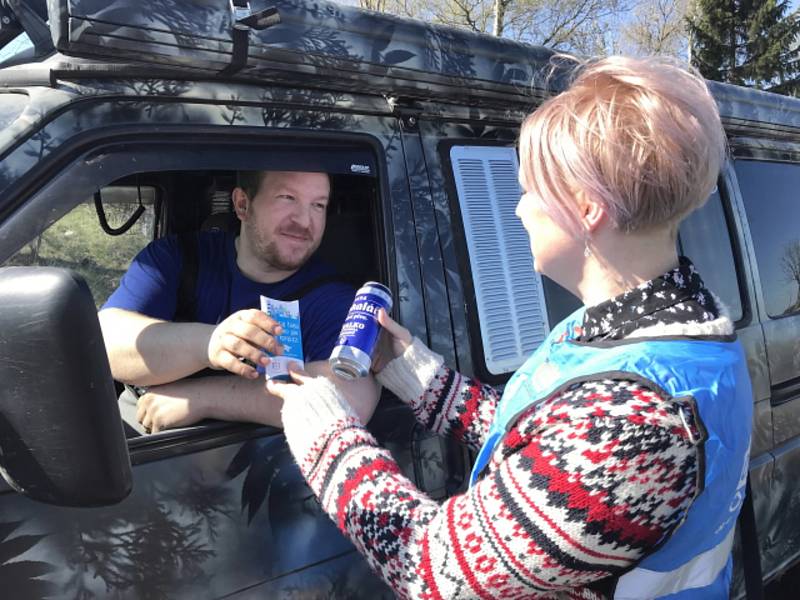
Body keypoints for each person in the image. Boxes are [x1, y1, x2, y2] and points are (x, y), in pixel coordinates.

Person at [267, 57, 754, 599]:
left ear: (587, 208)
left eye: (530, 191)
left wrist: (325, 434)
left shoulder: (639, 423)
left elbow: (436, 571)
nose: (519, 210)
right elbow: (550, 444)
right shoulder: (657, 322)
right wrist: (420, 378)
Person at [99, 170, 378, 434]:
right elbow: (105, 342)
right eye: (287, 198)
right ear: (243, 204)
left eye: (318, 205)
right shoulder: (176, 258)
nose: (305, 221)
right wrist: (211, 344)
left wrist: (203, 397)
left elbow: (353, 397)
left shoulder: (334, 298)